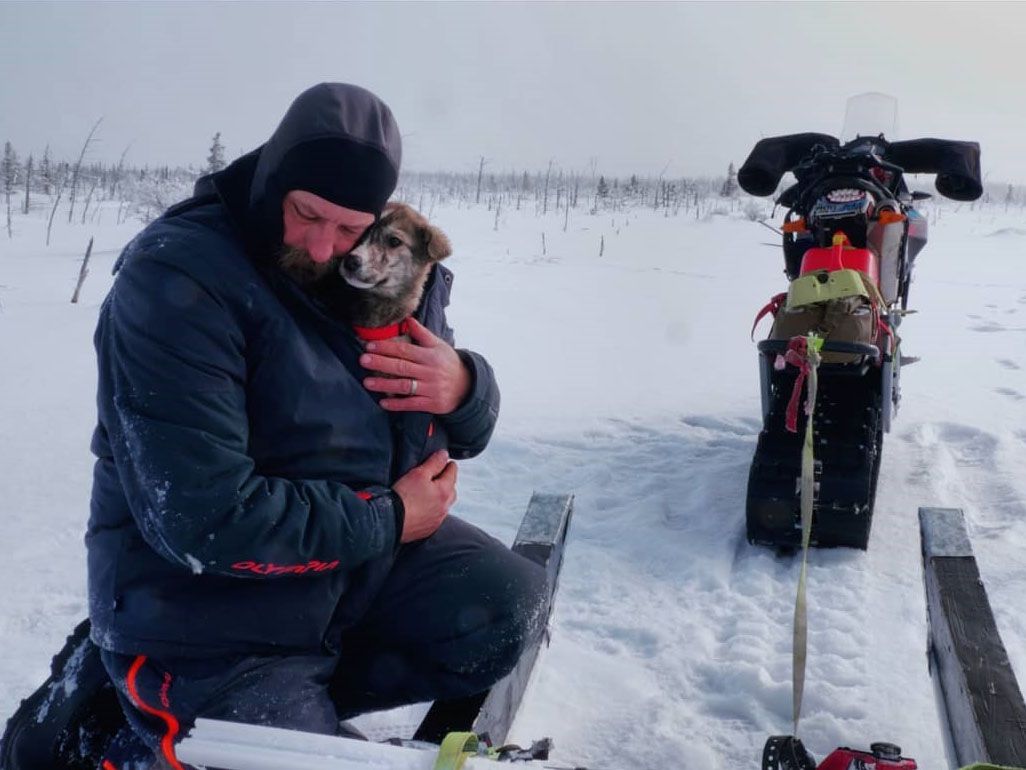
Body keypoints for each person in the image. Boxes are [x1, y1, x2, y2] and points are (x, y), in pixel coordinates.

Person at [46, 82, 546, 769]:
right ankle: (133, 724)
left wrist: (464, 388)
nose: (323, 247)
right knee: (281, 749)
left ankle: (295, 707)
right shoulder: (179, 279)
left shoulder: (367, 273)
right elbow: (203, 519)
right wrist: (392, 518)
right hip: (205, 608)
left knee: (503, 606)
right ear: (272, 179)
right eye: (306, 213)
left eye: (350, 229)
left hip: (341, 570)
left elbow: (452, 424)